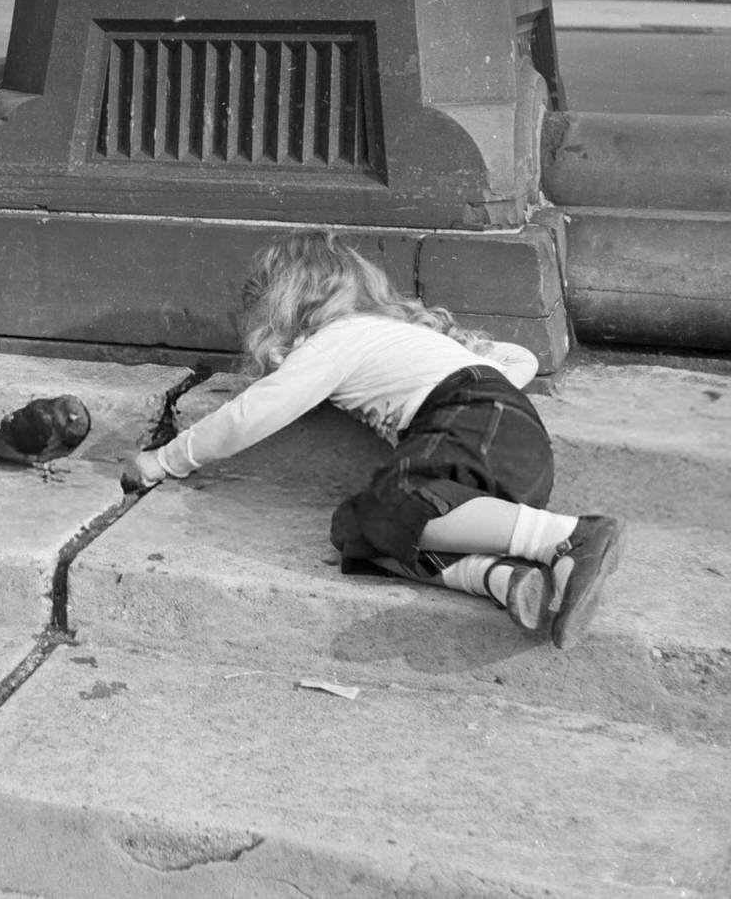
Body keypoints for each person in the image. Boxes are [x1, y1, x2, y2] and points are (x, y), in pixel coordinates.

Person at [121, 230, 625, 650]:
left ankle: (569, 536)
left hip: (470, 421)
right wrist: (468, 361)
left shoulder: (338, 339)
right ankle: (499, 576)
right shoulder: (385, 334)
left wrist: (165, 461)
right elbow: (523, 360)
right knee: (356, 531)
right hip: (500, 455)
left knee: (395, 506)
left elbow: (253, 414)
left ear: (287, 303)